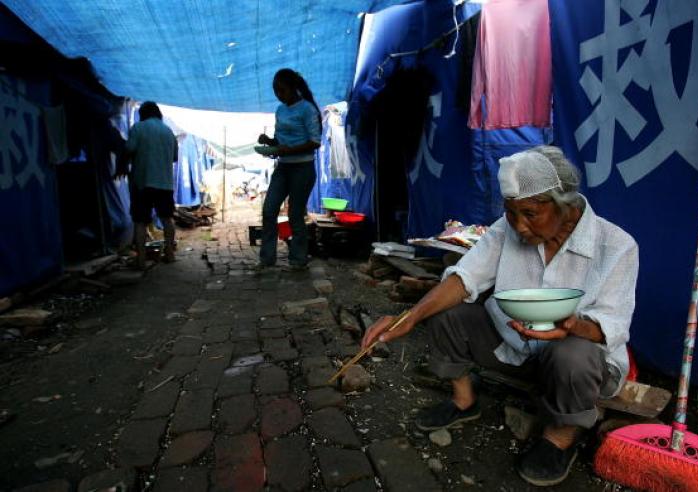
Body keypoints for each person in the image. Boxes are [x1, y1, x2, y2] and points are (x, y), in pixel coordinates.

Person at [361, 146, 638, 487]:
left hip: (575, 364)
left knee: (573, 353)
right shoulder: (505, 230)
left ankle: (561, 437)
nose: (519, 226)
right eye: (510, 213)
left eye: (530, 214)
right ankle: (464, 400)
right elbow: (465, 278)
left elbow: (610, 325)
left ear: (564, 204)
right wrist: (409, 317)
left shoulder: (617, 246)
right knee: (446, 313)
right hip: (515, 347)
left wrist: (570, 326)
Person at [256, 68, 322, 271]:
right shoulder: (280, 110)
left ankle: (298, 259)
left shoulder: (307, 109)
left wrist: (289, 149)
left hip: (303, 167)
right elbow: (281, 141)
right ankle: (267, 258)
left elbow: (315, 142)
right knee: (269, 210)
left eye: (281, 90)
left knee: (294, 214)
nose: (278, 94)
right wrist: (270, 142)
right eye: (275, 91)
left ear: (293, 88)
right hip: (283, 167)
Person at [119, 101, 178, 269]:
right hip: (165, 183)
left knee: (140, 221)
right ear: (158, 114)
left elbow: (129, 149)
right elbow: (174, 157)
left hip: (142, 182)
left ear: (143, 114)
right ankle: (170, 254)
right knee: (167, 219)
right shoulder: (168, 132)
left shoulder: (138, 128)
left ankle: (141, 260)